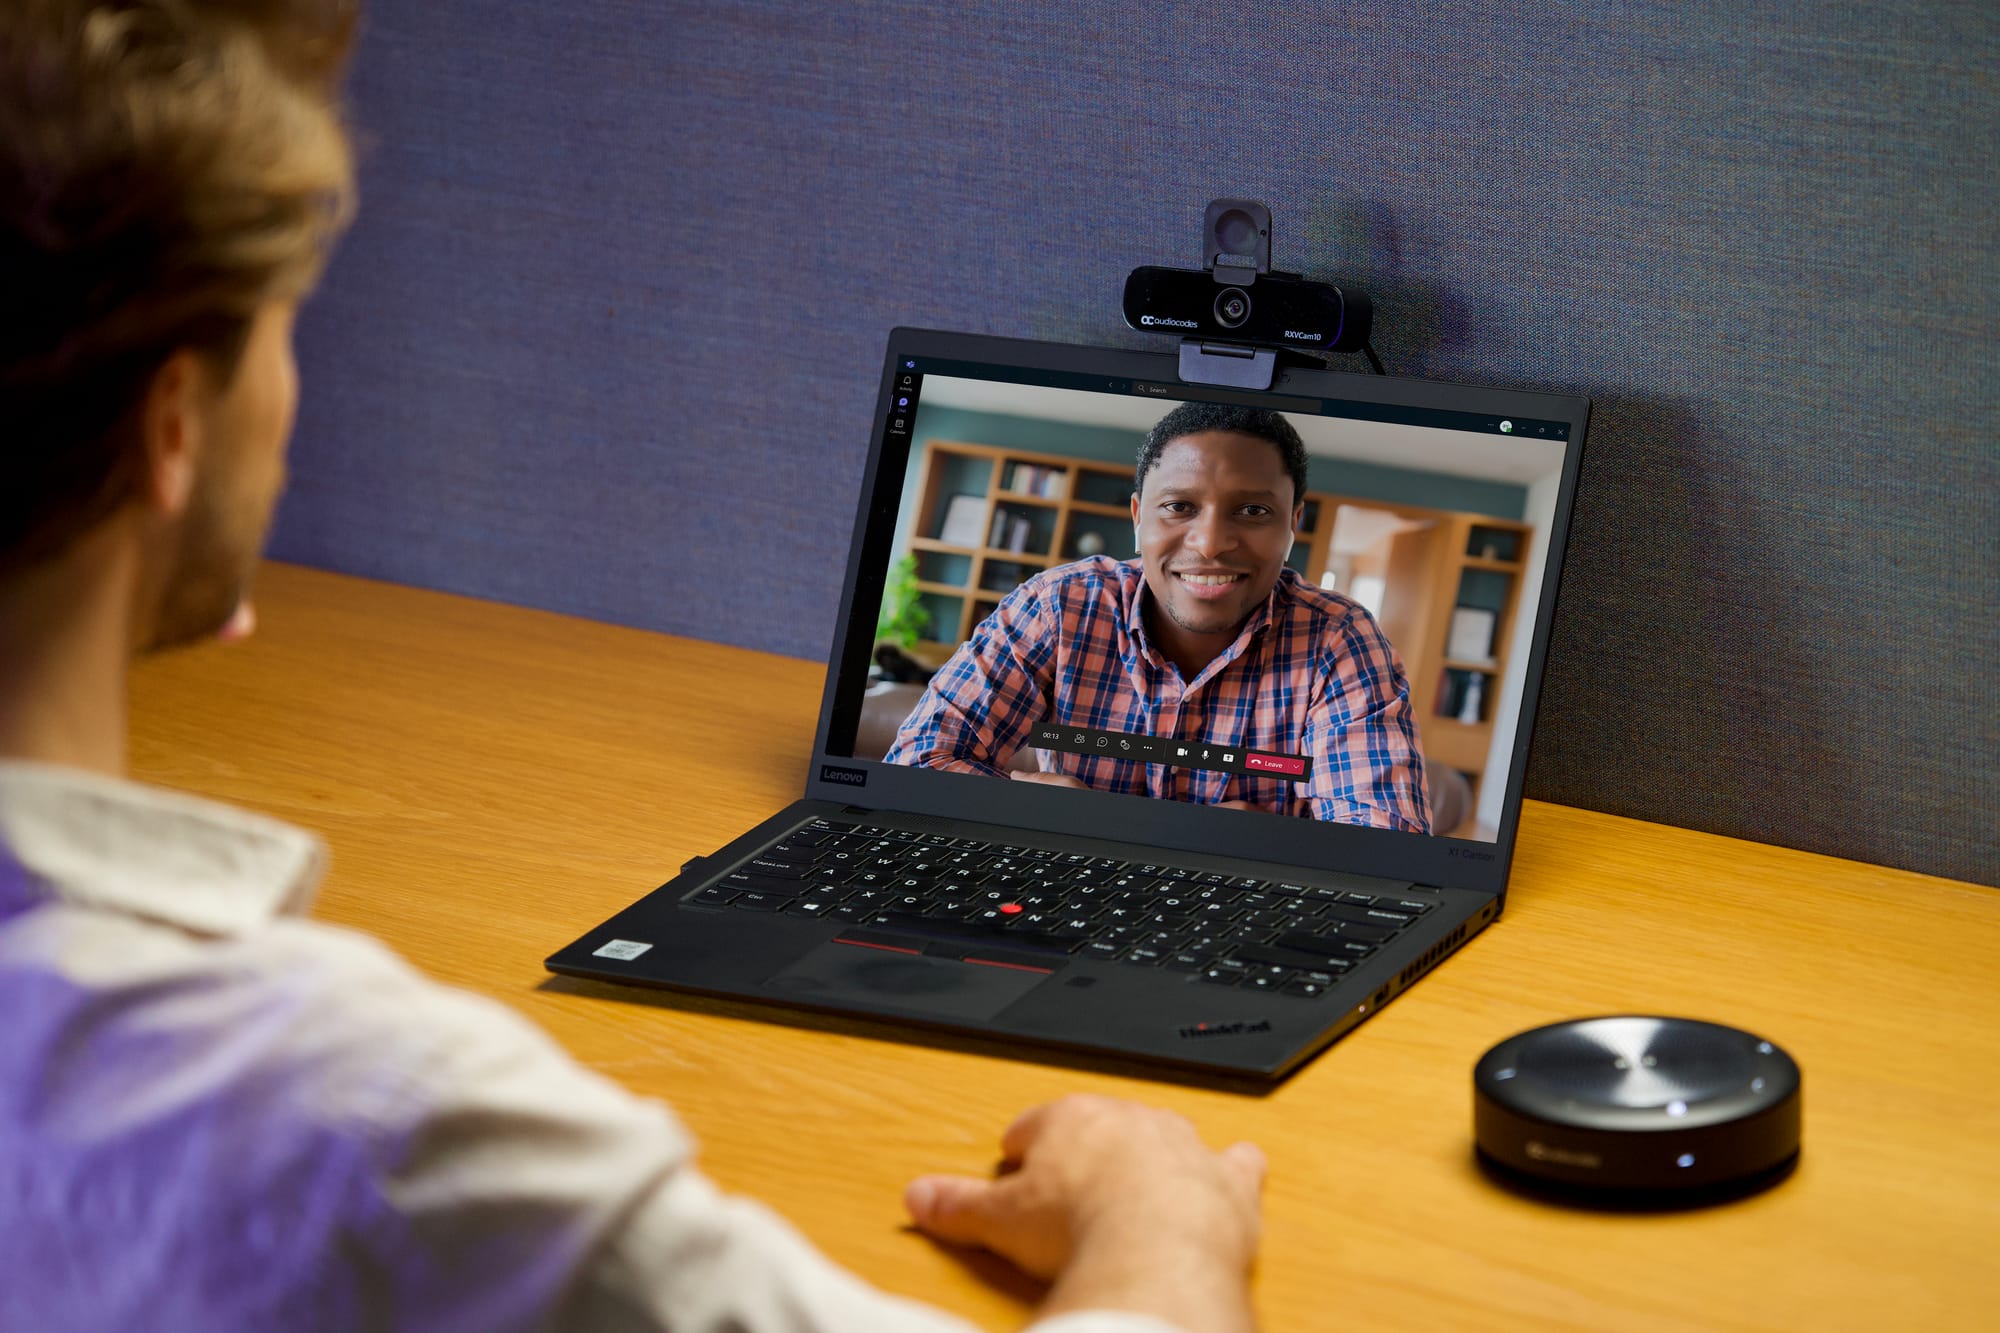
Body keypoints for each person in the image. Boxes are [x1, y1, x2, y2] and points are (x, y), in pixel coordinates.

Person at [0, 4, 1265, 1329]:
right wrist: (1160, 1222)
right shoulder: (366, 1129)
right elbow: (939, 756)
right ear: (173, 434)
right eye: (277, 328)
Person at [885, 403, 1431, 833]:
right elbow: (914, 766)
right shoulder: (1060, 604)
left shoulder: (1339, 638)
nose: (1211, 543)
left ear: (1294, 523)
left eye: (1254, 510)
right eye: (1178, 506)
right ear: (1138, 516)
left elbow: (1385, 842)